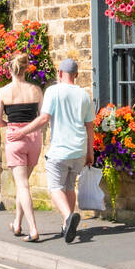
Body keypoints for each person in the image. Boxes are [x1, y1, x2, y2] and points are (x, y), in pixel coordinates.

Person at [9, 57, 94, 244]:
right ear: (77, 75)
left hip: (59, 150)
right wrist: (90, 153)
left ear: (60, 73)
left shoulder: (53, 91)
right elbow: (90, 127)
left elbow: (44, 118)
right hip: (79, 149)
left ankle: (68, 216)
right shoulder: (84, 95)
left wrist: (21, 132)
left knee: (55, 188)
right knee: (70, 187)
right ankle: (67, 225)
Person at [0, 54, 43, 242]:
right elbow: (43, 116)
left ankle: (33, 229)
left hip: (15, 137)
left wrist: (10, 124)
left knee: (22, 185)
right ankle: (17, 223)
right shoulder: (36, 90)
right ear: (26, 69)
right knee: (23, 184)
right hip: (34, 138)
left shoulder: (3, 92)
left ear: (10, 70)